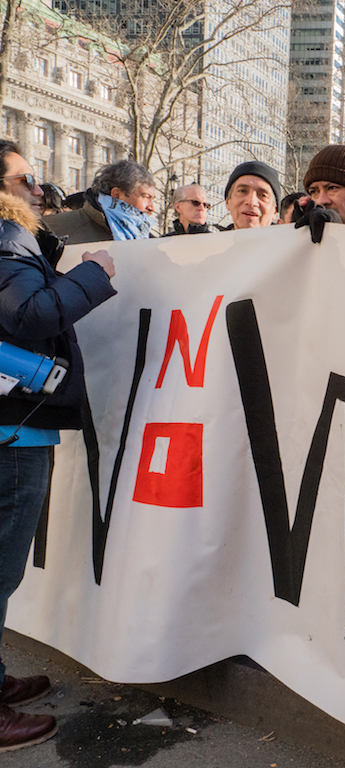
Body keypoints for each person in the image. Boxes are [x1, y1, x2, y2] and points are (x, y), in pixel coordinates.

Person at [0, 142, 117, 752]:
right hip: (12, 433)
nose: (39, 189)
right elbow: (30, 314)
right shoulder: (5, 236)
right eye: (25, 179)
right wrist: (94, 274)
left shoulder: (18, 241)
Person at [46, 160, 157, 244]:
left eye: (153, 199)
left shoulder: (153, 242)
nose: (152, 207)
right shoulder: (52, 230)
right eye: (146, 197)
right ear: (117, 195)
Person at [223, 161, 281, 230]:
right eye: (242, 191)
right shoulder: (211, 240)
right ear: (227, 202)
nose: (251, 202)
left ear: (275, 211)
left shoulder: (292, 240)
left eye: (263, 195)